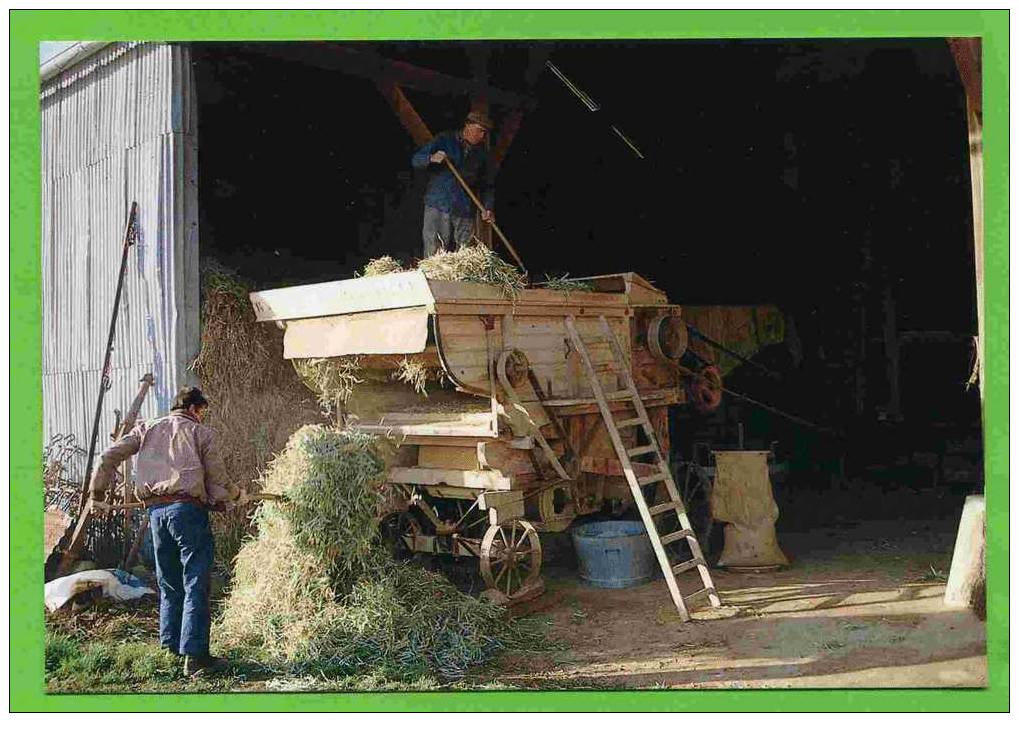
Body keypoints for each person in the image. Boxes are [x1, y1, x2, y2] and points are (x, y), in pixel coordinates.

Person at [90, 386, 240, 676]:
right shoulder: (201, 433)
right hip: (187, 512)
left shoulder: (147, 429)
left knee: (169, 580)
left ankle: (170, 646)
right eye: (202, 412)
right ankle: (195, 657)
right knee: (195, 579)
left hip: (155, 514)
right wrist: (234, 495)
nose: (202, 417)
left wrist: (97, 493)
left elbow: (108, 456)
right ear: (196, 409)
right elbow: (218, 481)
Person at [411, 111, 496, 257]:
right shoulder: (445, 139)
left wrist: (487, 207)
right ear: (468, 125)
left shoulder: (481, 154)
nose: (482, 136)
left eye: (485, 133)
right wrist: (431, 157)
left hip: (464, 207)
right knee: (435, 253)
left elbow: (487, 185)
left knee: (465, 254)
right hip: (439, 202)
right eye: (479, 130)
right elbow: (416, 160)